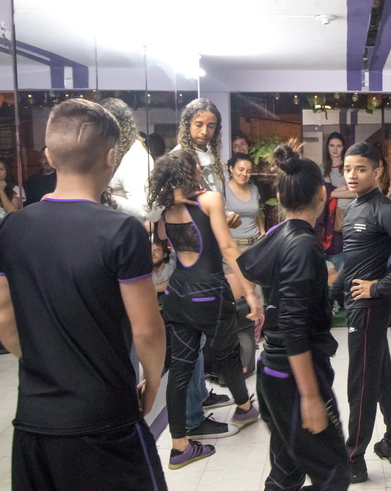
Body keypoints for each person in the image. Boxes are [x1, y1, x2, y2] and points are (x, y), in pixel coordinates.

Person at [0, 99, 167, 490]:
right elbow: (147, 331)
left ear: (48, 156)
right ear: (111, 157)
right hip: (105, 419)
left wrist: (50, 362)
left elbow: (4, 317)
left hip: (35, 422)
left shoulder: (13, 228)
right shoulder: (121, 232)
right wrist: (153, 384)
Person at [238, 141, 351, 491]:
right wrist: (311, 396)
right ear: (322, 192)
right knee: (334, 474)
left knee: (287, 472)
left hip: (274, 372)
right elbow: (292, 326)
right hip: (291, 375)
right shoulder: (303, 246)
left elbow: (289, 300)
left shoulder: (278, 234)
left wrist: (331, 290)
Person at [148, 151, 261, 469]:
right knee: (228, 356)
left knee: (180, 371)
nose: (202, 168)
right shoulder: (210, 198)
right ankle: (243, 408)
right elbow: (227, 247)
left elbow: (170, 239)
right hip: (211, 296)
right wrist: (250, 292)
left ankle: (179, 447)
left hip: (178, 296)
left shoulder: (167, 208)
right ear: (191, 170)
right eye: (198, 165)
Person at [340, 142, 391, 483]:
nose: (352, 175)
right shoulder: (354, 207)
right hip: (357, 304)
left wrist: (378, 287)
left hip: (369, 307)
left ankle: (353, 459)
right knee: (382, 375)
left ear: (376, 172)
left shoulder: (383, 208)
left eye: (360, 169)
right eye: (347, 169)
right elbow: (354, 259)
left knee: (361, 381)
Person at [99, 98, 162, 224]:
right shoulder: (121, 151)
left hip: (125, 234)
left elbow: (143, 212)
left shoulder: (134, 157)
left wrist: (103, 199)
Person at [225, 154, 265, 289]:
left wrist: (263, 234)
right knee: (238, 295)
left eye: (248, 171)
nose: (244, 174)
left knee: (255, 293)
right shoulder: (223, 190)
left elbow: (257, 213)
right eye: (241, 169)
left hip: (254, 246)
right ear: (231, 169)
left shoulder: (254, 189)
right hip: (233, 246)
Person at [323, 132, 353, 269]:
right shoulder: (321, 168)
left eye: (338, 146)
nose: (335, 149)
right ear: (327, 147)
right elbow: (319, 194)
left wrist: (330, 192)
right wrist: (341, 190)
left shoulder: (349, 168)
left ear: (343, 148)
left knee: (348, 255)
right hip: (326, 216)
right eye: (332, 146)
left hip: (346, 215)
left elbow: (355, 192)